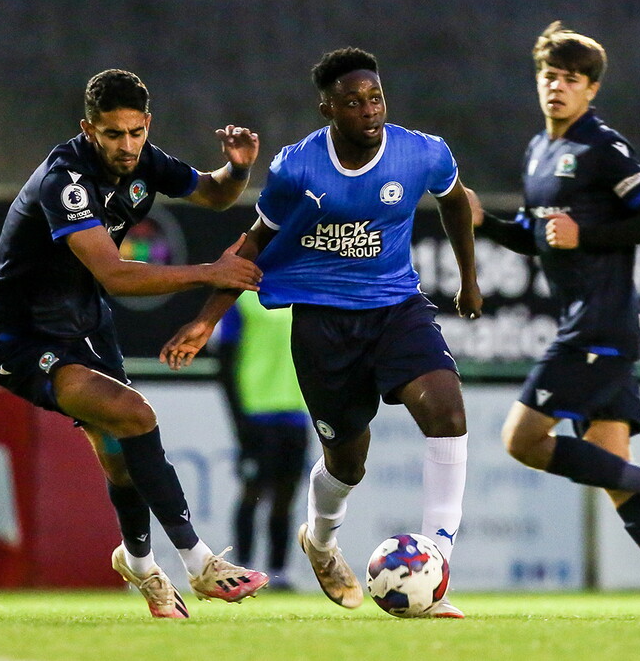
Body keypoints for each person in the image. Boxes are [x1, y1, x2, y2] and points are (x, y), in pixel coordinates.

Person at [160, 47, 482, 618]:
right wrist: (206, 318)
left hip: (396, 308)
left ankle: (437, 561)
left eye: (375, 97)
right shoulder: (298, 168)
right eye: (353, 101)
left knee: (448, 412)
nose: (369, 109)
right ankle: (322, 540)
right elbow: (254, 244)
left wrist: (469, 280)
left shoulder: (420, 153)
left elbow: (456, 203)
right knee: (347, 463)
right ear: (328, 108)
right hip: (322, 321)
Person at [0, 69, 270, 619]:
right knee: (135, 415)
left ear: (147, 125)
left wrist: (238, 167)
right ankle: (199, 561)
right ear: (89, 129)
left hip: (86, 325)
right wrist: (213, 272)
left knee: (119, 456)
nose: (127, 145)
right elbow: (116, 275)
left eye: (135, 132)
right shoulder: (63, 180)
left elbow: (214, 193)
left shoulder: (142, 160)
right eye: (113, 134)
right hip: (23, 339)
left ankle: (138, 563)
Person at [469, 22, 640, 615]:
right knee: (613, 474)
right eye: (550, 76)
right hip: (584, 324)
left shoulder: (602, 148)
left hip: (600, 327)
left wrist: (590, 234)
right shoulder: (539, 151)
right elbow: (539, 239)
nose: (557, 87)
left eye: (571, 79)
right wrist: (488, 225)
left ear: (592, 90)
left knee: (522, 439)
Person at [217, 291, 310, 590]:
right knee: (252, 491)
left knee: (286, 494)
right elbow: (225, 362)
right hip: (256, 412)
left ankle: (278, 571)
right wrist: (238, 420)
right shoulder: (241, 299)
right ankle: (241, 569)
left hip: (295, 411)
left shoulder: (302, 294)